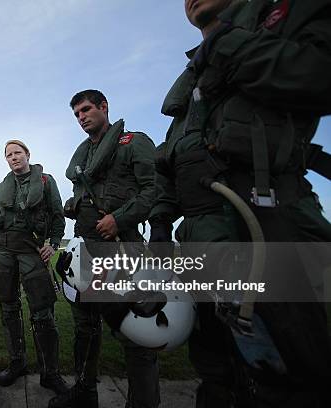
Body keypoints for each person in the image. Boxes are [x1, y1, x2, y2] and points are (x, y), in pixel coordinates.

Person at [149, 0, 331, 406]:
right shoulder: (193, 78)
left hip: (265, 224)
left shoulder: (285, 16)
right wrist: (161, 221)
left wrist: (227, 43)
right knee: (214, 371)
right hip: (200, 237)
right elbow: (175, 156)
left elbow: (318, 75)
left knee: (285, 379)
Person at [50, 90, 158, 408]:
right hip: (86, 250)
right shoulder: (82, 158)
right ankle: (85, 393)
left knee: (134, 332)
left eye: (86, 110)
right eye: (76, 114)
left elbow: (153, 190)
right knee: (85, 326)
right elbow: (85, 195)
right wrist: (74, 206)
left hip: (122, 250)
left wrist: (119, 218)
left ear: (103, 107)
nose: (81, 117)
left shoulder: (133, 143)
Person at [0, 139, 68, 395]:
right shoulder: (2, 187)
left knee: (42, 310)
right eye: (8, 155)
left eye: (17, 153)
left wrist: (53, 244)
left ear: (27, 154)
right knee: (8, 308)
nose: (13, 157)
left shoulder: (46, 181)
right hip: (3, 250)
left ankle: (50, 373)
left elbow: (57, 215)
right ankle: (17, 363)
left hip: (31, 249)